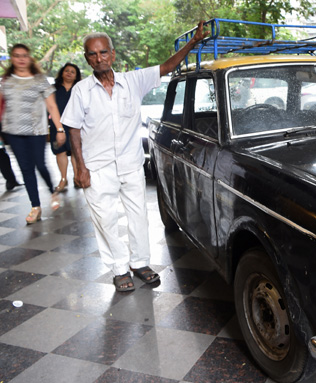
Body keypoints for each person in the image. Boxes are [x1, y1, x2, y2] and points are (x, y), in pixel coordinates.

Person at [61, 21, 209, 292]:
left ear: (113, 54)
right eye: (92, 54)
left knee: (138, 214)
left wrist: (193, 43)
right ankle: (119, 268)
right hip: (97, 167)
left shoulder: (133, 81)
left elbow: (166, 67)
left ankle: (140, 263)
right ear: (87, 59)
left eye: (103, 52)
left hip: (130, 164)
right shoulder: (81, 91)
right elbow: (73, 131)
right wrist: (79, 168)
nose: (99, 58)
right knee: (105, 219)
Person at [0, 44, 66, 224]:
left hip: (36, 131)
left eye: (24, 55)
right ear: (12, 58)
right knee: (26, 169)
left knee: (40, 164)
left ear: (30, 58)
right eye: (16, 55)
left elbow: (52, 106)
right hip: (12, 132)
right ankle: (35, 206)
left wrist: (59, 129)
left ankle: (53, 191)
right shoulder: (6, 81)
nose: (21, 59)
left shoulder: (39, 80)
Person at [50, 63, 82, 192]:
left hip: (75, 125)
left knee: (75, 151)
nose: (69, 73)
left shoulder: (79, 89)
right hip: (57, 126)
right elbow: (49, 107)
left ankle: (77, 177)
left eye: (72, 72)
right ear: (62, 73)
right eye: (66, 71)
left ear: (76, 76)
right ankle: (63, 179)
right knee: (60, 152)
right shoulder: (53, 89)